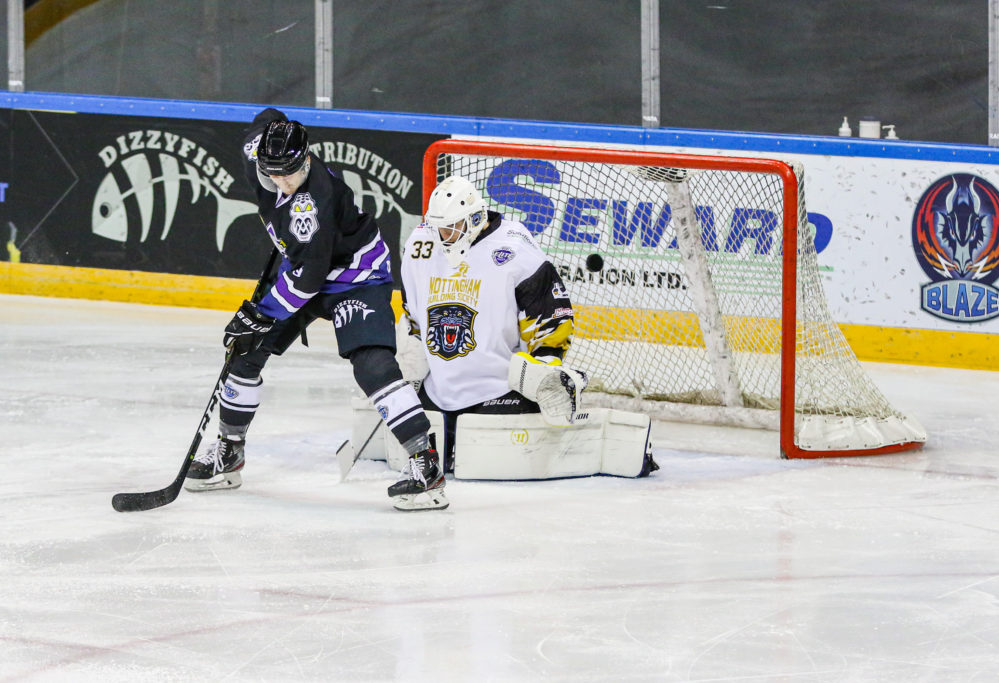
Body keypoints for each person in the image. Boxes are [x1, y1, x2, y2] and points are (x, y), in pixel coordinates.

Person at [184, 108, 447, 512]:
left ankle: (425, 466)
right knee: (246, 353)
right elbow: (269, 115)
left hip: (356, 275)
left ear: (306, 158)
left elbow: (309, 281)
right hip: (305, 263)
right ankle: (229, 454)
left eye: (291, 173)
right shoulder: (258, 152)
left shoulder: (314, 204)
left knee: (372, 366)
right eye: (274, 173)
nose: (282, 183)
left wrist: (263, 313)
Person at [398, 175, 657, 479]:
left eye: (451, 228)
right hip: (438, 392)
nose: (443, 236)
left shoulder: (514, 246)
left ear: (476, 217)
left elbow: (552, 315)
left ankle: (566, 388)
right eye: (438, 227)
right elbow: (412, 310)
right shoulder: (420, 244)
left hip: (498, 390)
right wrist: (410, 359)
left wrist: (545, 369)